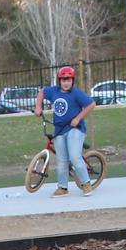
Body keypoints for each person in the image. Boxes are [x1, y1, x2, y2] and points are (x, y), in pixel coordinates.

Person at [33, 65, 97, 197]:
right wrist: (38, 107)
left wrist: (78, 118)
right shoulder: (54, 91)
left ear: (73, 80)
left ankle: (86, 184)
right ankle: (62, 188)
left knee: (74, 156)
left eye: (68, 80)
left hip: (75, 128)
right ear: (59, 81)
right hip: (59, 130)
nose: (66, 82)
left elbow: (91, 104)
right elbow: (42, 92)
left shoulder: (76, 93)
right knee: (62, 160)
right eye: (63, 80)